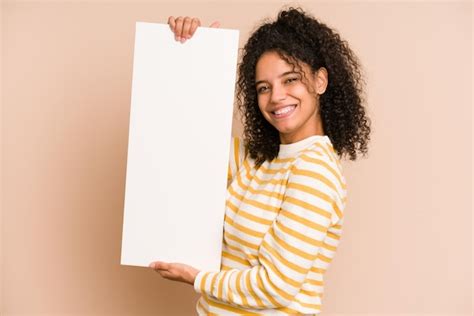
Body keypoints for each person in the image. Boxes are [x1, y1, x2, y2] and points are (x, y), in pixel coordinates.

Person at [149, 6, 371, 315]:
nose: (276, 96)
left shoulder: (315, 170)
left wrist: (197, 279)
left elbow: (275, 286)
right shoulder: (256, 159)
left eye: (290, 79)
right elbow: (181, 141)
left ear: (320, 81)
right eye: (263, 88)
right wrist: (192, 57)